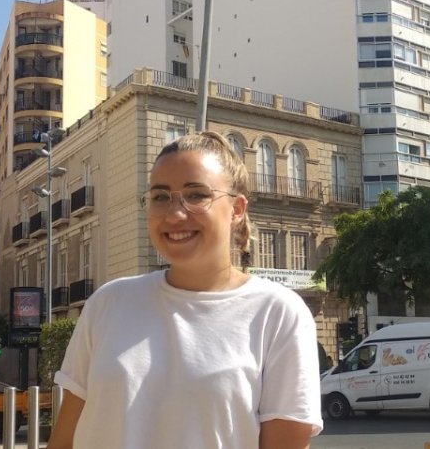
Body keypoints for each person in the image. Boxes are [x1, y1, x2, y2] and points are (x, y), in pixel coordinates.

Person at [48, 132, 322, 449]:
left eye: (196, 195)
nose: (175, 214)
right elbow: (65, 439)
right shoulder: (108, 303)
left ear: (236, 209)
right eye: (160, 197)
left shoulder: (278, 312)